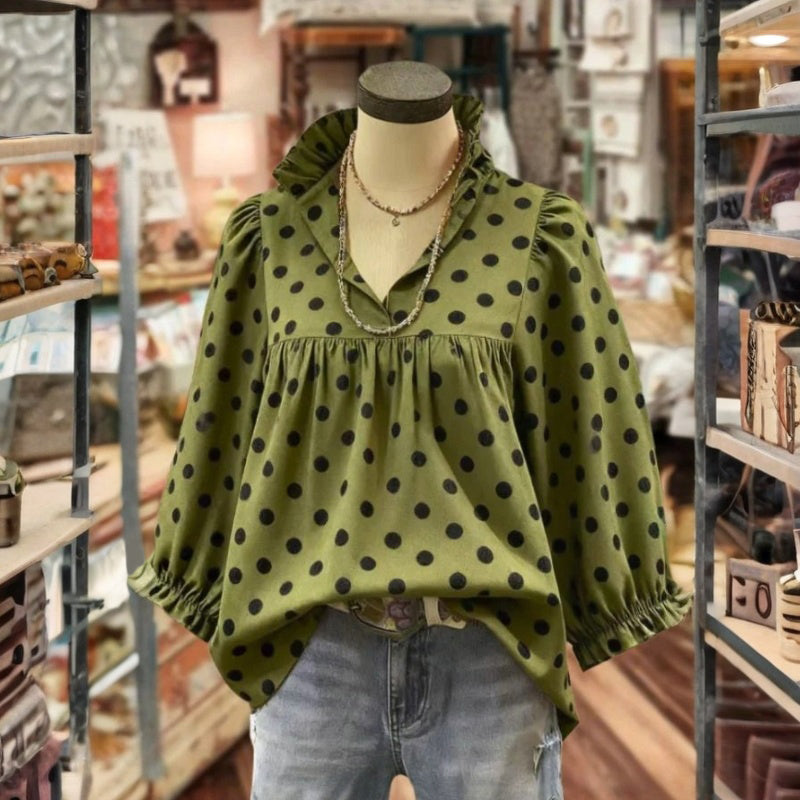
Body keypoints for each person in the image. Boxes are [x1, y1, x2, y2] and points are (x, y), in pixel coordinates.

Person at [128, 60, 692, 800]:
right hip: (312, 653)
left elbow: (589, 433)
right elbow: (219, 424)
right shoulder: (269, 238)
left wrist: (613, 594)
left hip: (487, 657)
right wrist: (195, 571)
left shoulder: (536, 234)